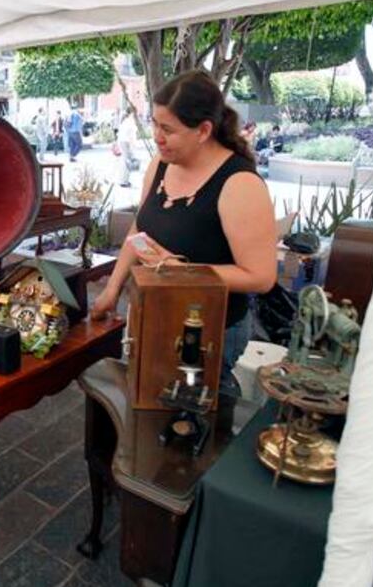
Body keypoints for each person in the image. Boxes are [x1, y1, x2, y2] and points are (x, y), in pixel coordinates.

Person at [90, 71, 277, 397]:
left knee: (194, 407)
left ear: (204, 130)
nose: (157, 137)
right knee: (150, 402)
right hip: (155, 316)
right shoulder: (161, 164)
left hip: (208, 329)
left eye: (168, 130)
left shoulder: (240, 184)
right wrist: (112, 288)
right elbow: (140, 229)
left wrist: (181, 271)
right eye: (154, 124)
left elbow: (261, 277)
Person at [117, 108, 140, 188]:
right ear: (132, 113)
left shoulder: (125, 120)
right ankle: (124, 181)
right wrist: (134, 145)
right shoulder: (130, 121)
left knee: (125, 161)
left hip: (123, 142)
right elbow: (131, 135)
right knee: (127, 161)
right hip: (126, 142)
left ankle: (123, 180)